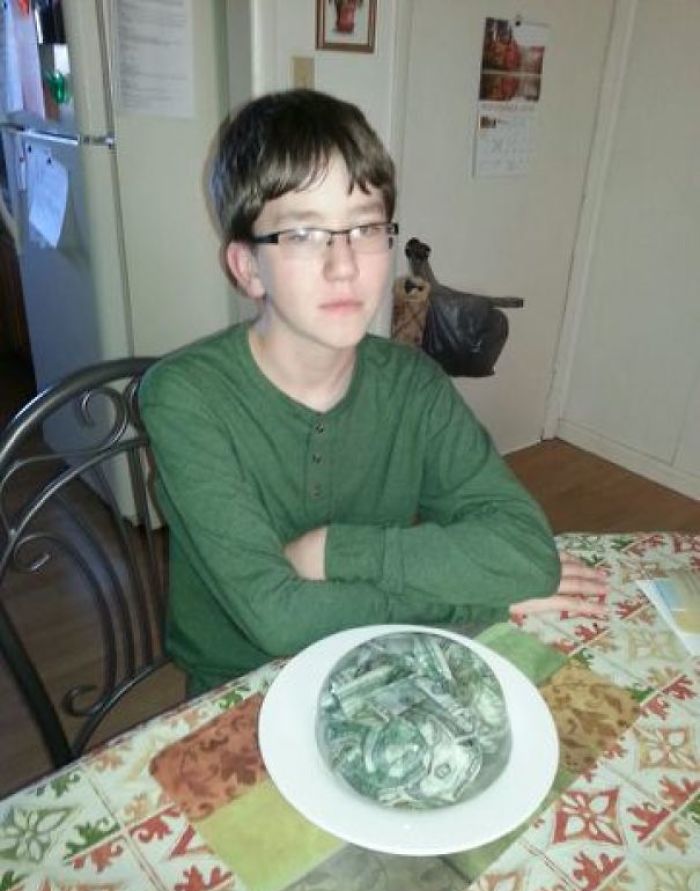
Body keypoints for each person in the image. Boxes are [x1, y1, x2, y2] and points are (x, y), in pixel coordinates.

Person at [139, 89, 606, 697]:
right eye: (304, 233)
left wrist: (333, 550)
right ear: (247, 266)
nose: (344, 265)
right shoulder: (184, 398)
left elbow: (526, 552)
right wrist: (479, 599)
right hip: (243, 688)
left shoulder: (414, 385)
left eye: (364, 227)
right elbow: (278, 618)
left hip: (382, 665)